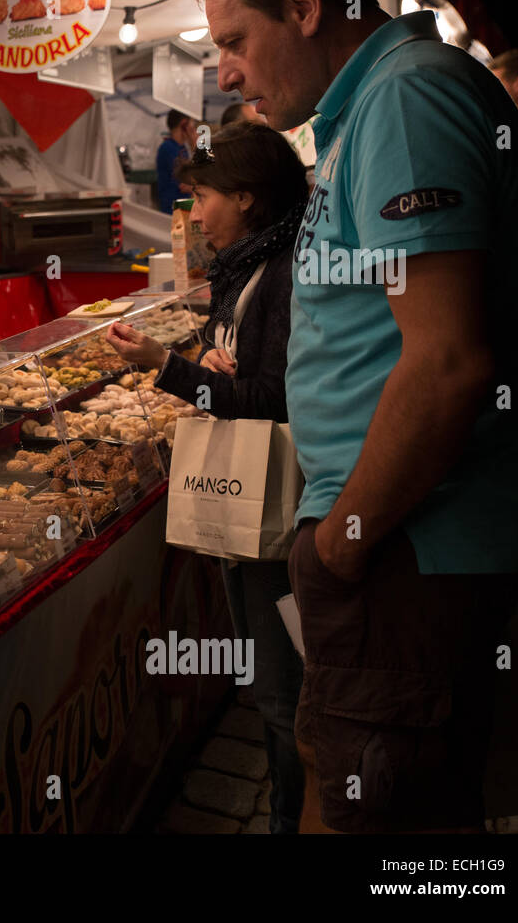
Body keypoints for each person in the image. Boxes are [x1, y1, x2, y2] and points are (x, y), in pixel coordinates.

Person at [199, 0, 518, 833]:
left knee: (370, 809)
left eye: (234, 41)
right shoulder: (375, 107)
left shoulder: (407, 100)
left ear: (305, 5)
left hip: (412, 548)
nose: (225, 73)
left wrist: (337, 546)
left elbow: (446, 364)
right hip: (404, 547)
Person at [107, 121, 309, 833]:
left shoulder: (283, 274)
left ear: (247, 199)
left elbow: (272, 401)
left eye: (202, 196)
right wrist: (209, 365)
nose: (193, 213)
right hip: (241, 504)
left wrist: (164, 369)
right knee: (266, 686)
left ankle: (293, 820)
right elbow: (248, 374)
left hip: (272, 508)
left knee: (284, 697)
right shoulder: (245, 264)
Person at [156, 110, 197, 213]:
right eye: (193, 124)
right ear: (184, 124)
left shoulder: (182, 148)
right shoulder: (167, 148)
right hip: (173, 208)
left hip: (183, 205)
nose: (194, 128)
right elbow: (187, 182)